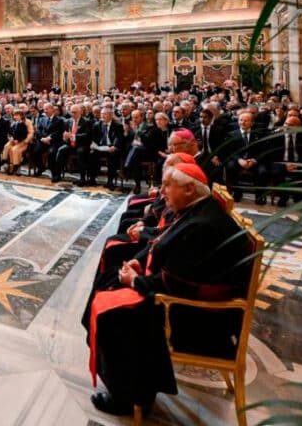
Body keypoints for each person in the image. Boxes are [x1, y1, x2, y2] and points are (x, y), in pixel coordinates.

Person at [82, 163, 252, 416]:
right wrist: (140, 262)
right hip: (187, 301)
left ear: (189, 189)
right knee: (108, 281)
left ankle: (127, 397)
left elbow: (179, 283)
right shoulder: (198, 210)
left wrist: (135, 282)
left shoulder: (202, 226)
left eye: (167, 186)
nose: (162, 192)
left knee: (111, 313)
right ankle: (125, 383)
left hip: (196, 319)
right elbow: (167, 245)